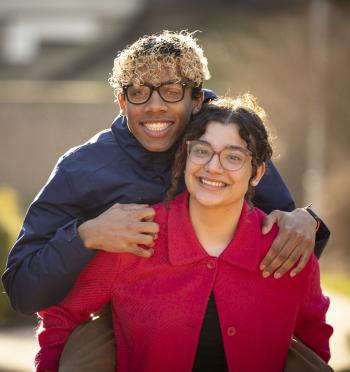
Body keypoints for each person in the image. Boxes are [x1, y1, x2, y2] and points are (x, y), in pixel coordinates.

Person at [2, 31, 329, 368]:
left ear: (197, 99)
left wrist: (307, 220)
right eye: (139, 93)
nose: (155, 105)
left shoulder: (227, 140)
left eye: (172, 92)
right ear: (121, 101)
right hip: (119, 313)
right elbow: (23, 289)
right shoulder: (81, 169)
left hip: (216, 309)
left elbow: (286, 254)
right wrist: (87, 235)